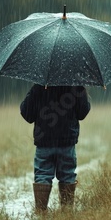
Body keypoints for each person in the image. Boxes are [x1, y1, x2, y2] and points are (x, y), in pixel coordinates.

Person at [20, 84, 90, 212]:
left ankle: (41, 212)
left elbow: (27, 114)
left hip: (44, 141)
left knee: (42, 175)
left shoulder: (39, 86)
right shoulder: (76, 86)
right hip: (67, 141)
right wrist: (83, 90)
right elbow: (82, 112)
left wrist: (34, 94)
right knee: (68, 175)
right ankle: (67, 212)